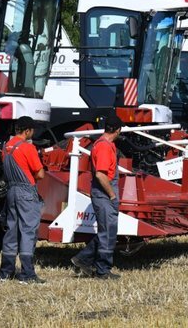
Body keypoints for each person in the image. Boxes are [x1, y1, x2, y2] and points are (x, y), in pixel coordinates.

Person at [71, 116, 124, 280]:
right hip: (104, 194)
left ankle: (82, 259)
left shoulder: (105, 145)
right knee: (107, 232)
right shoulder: (104, 147)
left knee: (107, 231)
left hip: (103, 193)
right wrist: (112, 195)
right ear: (118, 130)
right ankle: (102, 270)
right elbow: (101, 175)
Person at [0, 116, 46, 284]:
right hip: (26, 192)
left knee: (12, 230)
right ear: (27, 131)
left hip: (12, 190)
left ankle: (5, 272)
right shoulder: (27, 147)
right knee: (28, 230)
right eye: (32, 130)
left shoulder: (6, 147)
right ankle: (27, 274)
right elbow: (40, 174)